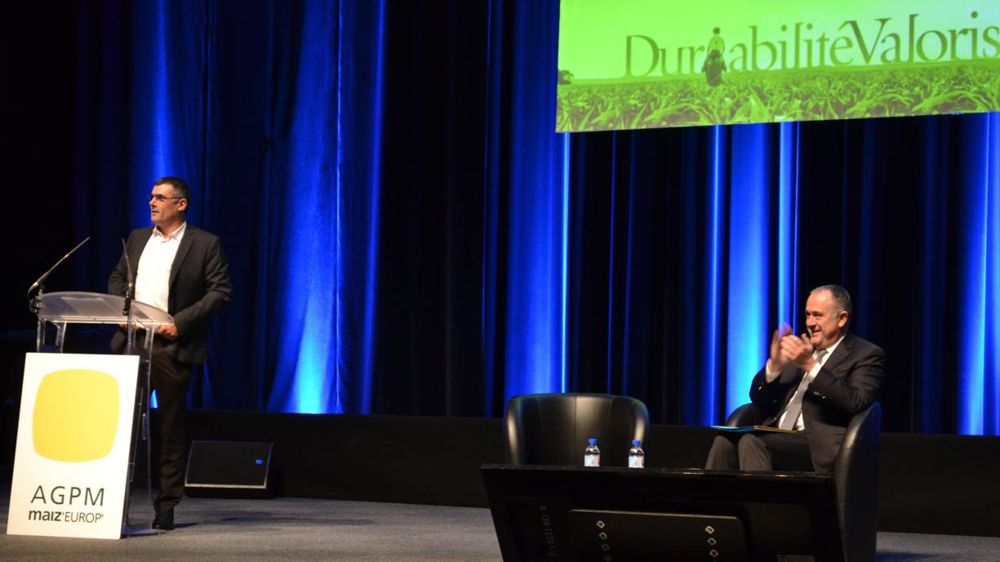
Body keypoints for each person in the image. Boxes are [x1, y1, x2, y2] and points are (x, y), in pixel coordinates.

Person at [108, 176, 232, 530]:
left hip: (171, 346)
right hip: (131, 343)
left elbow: (221, 292)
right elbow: (117, 278)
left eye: (160, 198)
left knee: (169, 427)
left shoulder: (205, 244)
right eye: (150, 197)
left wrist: (180, 322)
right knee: (120, 425)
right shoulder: (136, 238)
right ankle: (108, 502)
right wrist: (122, 311)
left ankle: (165, 505)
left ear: (181, 205)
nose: (152, 202)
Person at [705, 285, 884, 473]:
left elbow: (856, 401)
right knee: (723, 442)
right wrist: (775, 366)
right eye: (807, 315)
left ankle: (760, 503)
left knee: (753, 442)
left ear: (841, 319)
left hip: (816, 447)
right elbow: (759, 400)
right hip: (775, 434)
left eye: (818, 315)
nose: (810, 322)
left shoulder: (866, 354)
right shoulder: (800, 350)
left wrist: (810, 365)